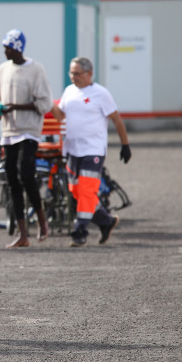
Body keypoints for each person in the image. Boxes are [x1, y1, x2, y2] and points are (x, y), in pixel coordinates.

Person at [50, 56, 131, 248]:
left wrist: (125, 145)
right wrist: (48, 102)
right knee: (77, 191)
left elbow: (117, 119)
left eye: (77, 73)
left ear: (89, 73)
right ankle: (106, 221)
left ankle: (80, 231)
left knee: (86, 191)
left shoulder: (101, 93)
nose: (74, 77)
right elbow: (60, 115)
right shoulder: (69, 91)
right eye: (71, 73)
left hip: (92, 150)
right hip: (72, 149)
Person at [0, 29, 53, 248]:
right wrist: (0, 109)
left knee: (26, 174)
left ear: (17, 48)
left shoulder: (36, 70)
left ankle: (42, 219)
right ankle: (23, 234)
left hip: (28, 130)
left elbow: (45, 103)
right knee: (12, 180)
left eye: (7, 47)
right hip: (9, 133)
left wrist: (15, 107)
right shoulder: (3, 69)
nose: (4, 51)